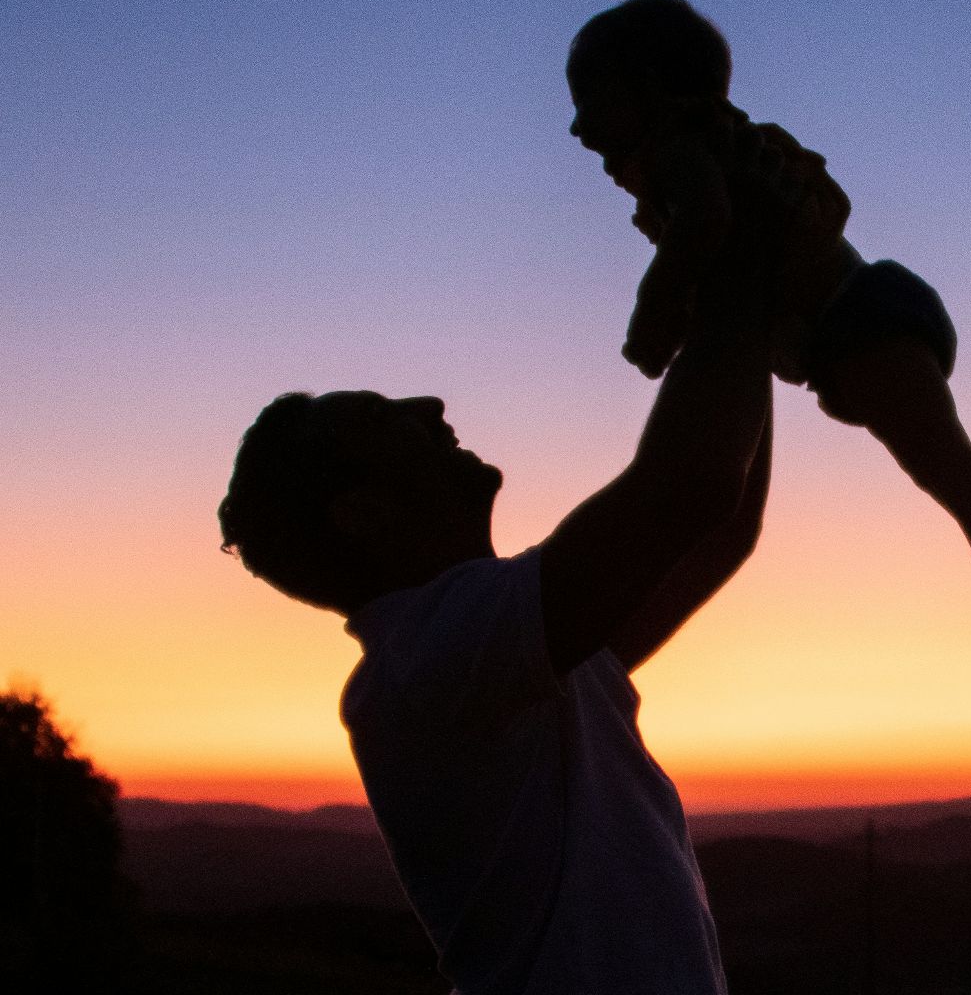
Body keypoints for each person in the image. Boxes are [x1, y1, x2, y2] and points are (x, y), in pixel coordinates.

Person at [215, 181, 785, 991]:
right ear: (364, 511)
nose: (430, 403)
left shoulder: (510, 655)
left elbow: (714, 527)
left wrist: (745, 322)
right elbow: (688, 488)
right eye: (386, 418)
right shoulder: (430, 660)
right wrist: (748, 261)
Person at [566, 0, 971, 667]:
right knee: (923, 463)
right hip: (832, 330)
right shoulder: (705, 149)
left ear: (647, 89)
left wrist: (654, 310)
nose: (576, 128)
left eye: (589, 101)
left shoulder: (682, 150)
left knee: (941, 460)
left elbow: (704, 225)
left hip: (858, 317)